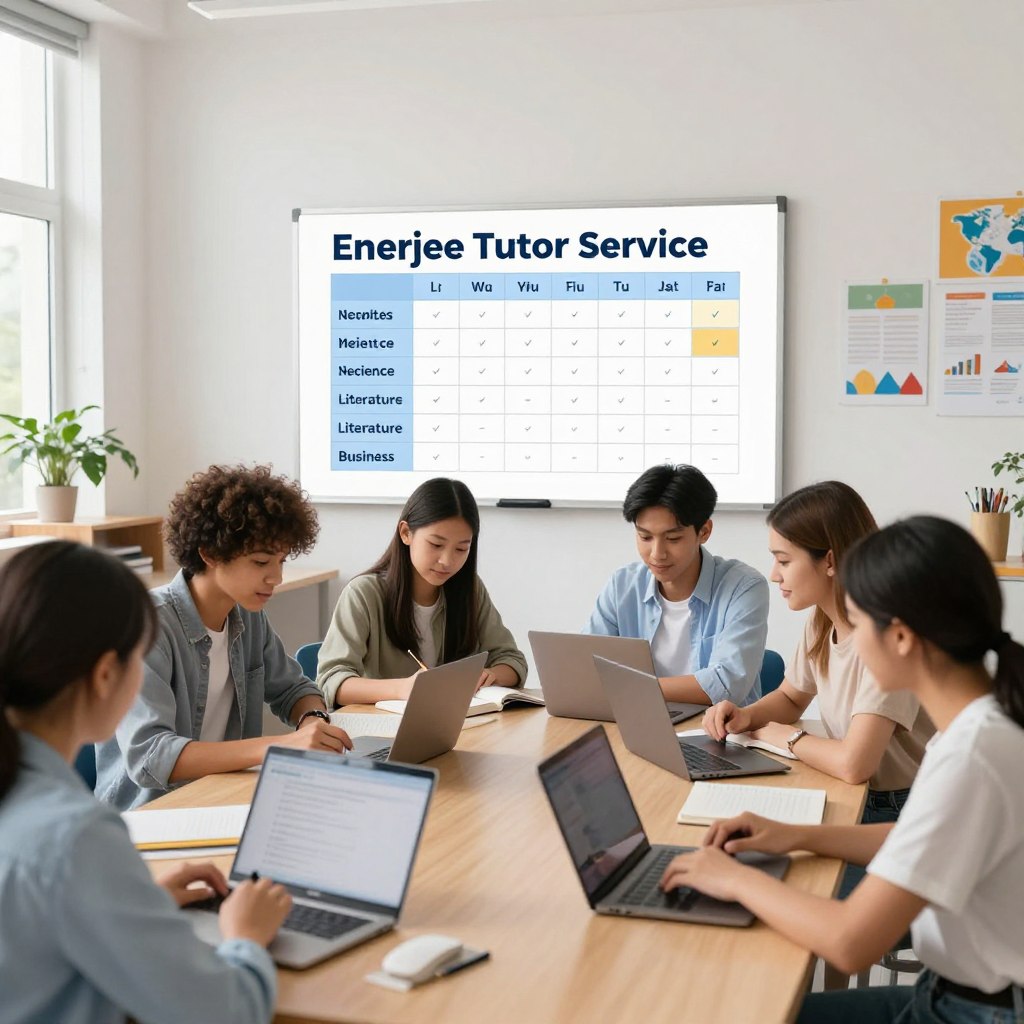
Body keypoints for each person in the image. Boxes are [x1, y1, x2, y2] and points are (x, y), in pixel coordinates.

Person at [661, 516, 1024, 1023]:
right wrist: (795, 835)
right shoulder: (976, 728)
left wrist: (734, 880)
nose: (849, 641)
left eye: (856, 621)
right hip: (953, 995)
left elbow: (850, 943)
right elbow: (918, 837)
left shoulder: (973, 756)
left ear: (901, 637)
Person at [0, 541, 292, 1024]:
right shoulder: (78, 838)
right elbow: (226, 1012)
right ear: (105, 676)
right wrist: (245, 935)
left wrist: (134, 902)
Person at [703, 481, 932, 898]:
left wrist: (783, 736)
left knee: (784, 882)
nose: (774, 574)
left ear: (829, 560)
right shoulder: (823, 618)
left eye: (783, 560)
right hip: (856, 794)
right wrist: (746, 715)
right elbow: (792, 697)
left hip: (896, 810)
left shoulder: (885, 633)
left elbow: (855, 765)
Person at [97, 465, 351, 810]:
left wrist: (313, 721)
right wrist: (279, 747)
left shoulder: (248, 616)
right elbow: (151, 756)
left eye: (281, 561)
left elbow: (294, 690)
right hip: (150, 813)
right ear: (210, 553)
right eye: (261, 562)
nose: (276, 577)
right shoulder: (147, 625)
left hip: (221, 796)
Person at [317, 477, 527, 707]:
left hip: (458, 722)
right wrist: (402, 689)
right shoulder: (364, 594)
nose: (447, 561)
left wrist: (490, 675)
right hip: (382, 725)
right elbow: (330, 681)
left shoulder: (470, 590)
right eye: (436, 545)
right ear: (406, 533)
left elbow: (512, 660)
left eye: (461, 549)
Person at [583, 463, 769, 707]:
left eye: (673, 538)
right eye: (645, 537)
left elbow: (726, 684)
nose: (657, 554)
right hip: (639, 717)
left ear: (704, 532)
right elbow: (587, 665)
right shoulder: (623, 585)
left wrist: (632, 686)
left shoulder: (743, 587)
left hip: (716, 725)